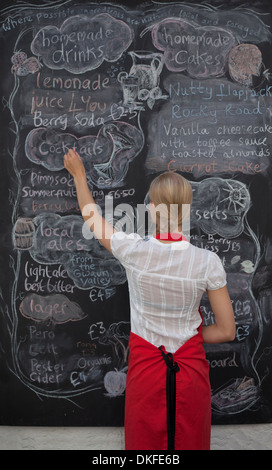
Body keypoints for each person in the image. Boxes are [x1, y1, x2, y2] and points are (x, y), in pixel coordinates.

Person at [64, 148, 236, 451]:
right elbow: (226, 331)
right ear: (187, 209)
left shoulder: (134, 251)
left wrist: (79, 174)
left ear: (153, 209)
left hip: (146, 375)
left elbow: (91, 215)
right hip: (191, 375)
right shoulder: (208, 262)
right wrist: (191, 337)